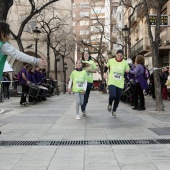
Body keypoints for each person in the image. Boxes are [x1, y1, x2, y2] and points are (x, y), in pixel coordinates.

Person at [104, 49, 130, 117]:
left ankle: (114, 110)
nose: (119, 57)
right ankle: (110, 104)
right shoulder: (111, 61)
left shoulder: (125, 63)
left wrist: (127, 71)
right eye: (118, 55)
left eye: (121, 56)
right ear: (116, 55)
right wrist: (104, 73)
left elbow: (128, 70)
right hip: (112, 81)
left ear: (123, 56)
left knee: (117, 98)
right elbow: (106, 67)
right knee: (113, 95)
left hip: (120, 82)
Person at [81, 51, 97, 115]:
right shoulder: (81, 62)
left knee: (86, 96)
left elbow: (95, 70)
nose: (86, 55)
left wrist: (89, 70)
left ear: (89, 55)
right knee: (83, 95)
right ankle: (83, 108)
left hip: (89, 81)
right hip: (82, 81)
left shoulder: (92, 62)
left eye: (87, 54)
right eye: (84, 54)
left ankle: (84, 106)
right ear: (83, 55)